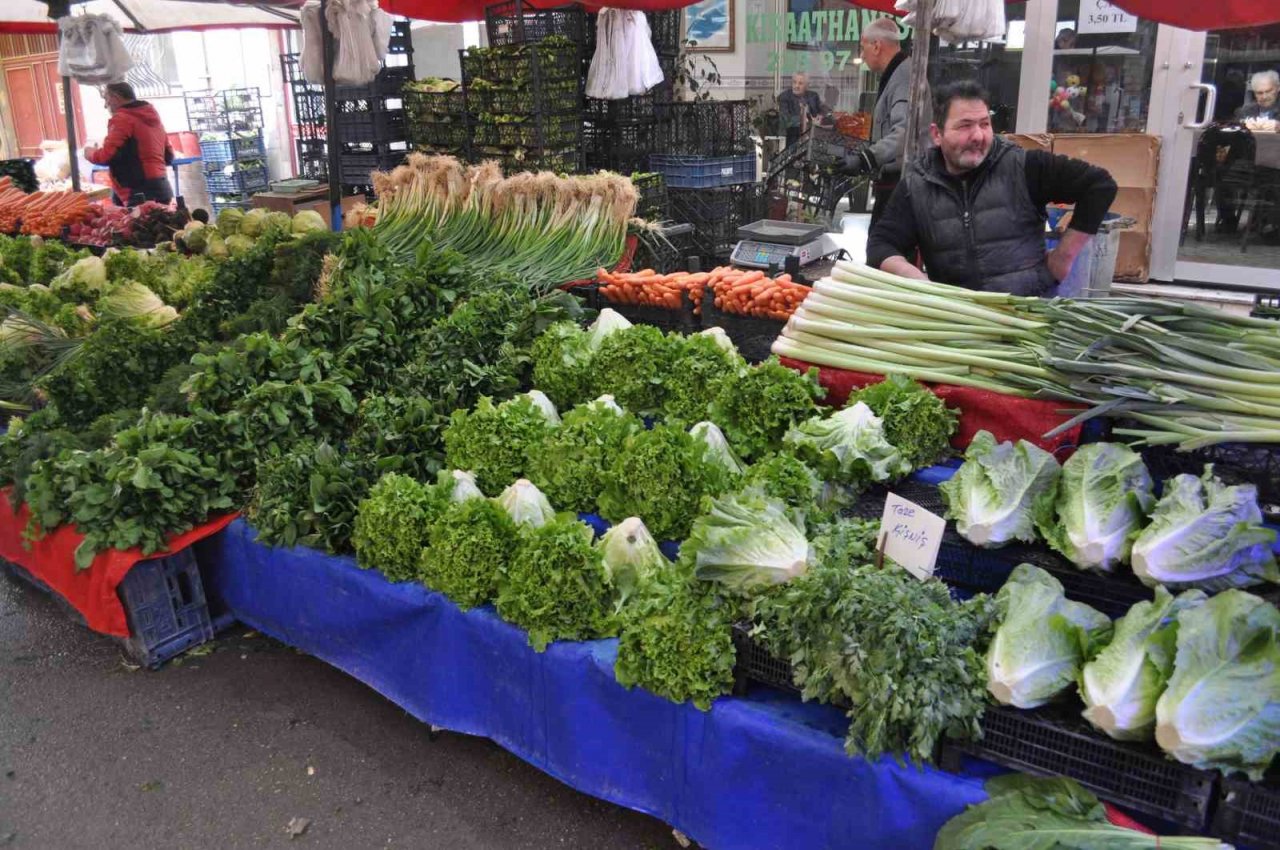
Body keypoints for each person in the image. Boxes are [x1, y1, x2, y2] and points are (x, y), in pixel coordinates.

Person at [866, 80, 1118, 296]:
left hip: (1027, 313)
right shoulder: (917, 184)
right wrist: (918, 281)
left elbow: (1100, 185)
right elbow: (881, 245)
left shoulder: (1023, 165)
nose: (978, 136)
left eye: (985, 124)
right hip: (958, 321)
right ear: (937, 134)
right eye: (965, 126)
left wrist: (1063, 258)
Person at [839, 16, 927, 225]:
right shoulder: (899, 73)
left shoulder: (905, 76)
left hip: (901, 186)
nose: (862, 55)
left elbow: (904, 131)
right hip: (895, 183)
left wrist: (865, 159)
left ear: (876, 46)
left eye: (863, 47)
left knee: (883, 252)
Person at [84, 82, 174, 207]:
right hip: (162, 188)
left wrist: (90, 153)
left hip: (138, 191)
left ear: (115, 97)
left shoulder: (123, 119)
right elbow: (169, 156)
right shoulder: (152, 117)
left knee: (141, 225)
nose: (105, 106)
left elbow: (107, 156)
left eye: (106, 99)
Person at [778, 72, 830, 148]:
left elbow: (823, 110)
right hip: (793, 136)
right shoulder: (784, 97)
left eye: (800, 83)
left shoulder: (813, 96)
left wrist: (821, 116)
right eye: (794, 82)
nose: (796, 86)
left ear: (807, 86)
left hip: (812, 136)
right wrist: (804, 119)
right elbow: (785, 119)